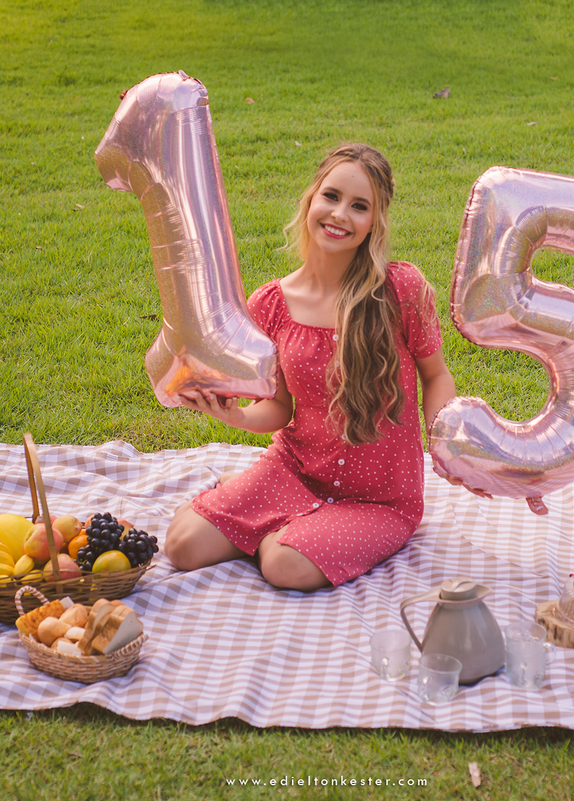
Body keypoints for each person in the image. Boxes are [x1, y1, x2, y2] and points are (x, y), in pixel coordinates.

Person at [164, 143, 457, 591]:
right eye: (331, 196)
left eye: (359, 206)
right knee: (182, 546)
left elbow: (436, 376)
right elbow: (279, 408)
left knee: (284, 564)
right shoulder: (271, 303)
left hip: (379, 498)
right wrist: (235, 416)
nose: (340, 214)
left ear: (375, 221)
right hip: (295, 470)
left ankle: (281, 526)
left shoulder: (401, 290)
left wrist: (447, 444)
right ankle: (277, 512)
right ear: (311, 198)